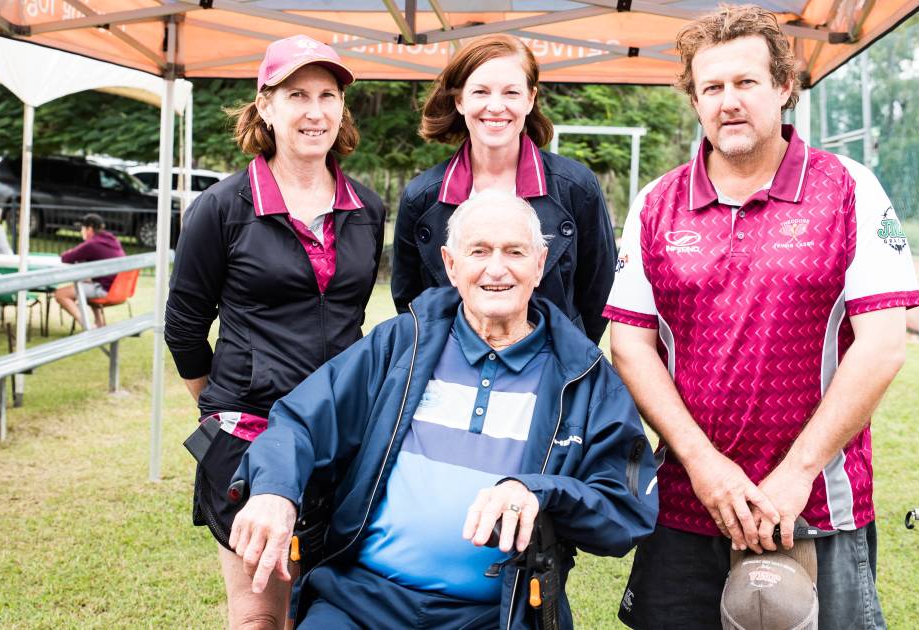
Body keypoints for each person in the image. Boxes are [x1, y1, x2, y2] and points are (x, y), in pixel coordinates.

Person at [604, 6, 919, 629]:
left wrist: (797, 473)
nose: (728, 102)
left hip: (817, 506)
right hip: (688, 505)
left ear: (782, 87)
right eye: (711, 87)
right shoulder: (655, 203)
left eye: (745, 82)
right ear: (694, 99)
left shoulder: (850, 188)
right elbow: (631, 346)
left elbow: (883, 346)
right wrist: (704, 466)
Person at [229, 190, 657, 629]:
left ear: (540, 262)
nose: (496, 268)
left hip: (495, 616)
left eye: (514, 252)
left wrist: (540, 491)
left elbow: (626, 510)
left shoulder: (583, 376)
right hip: (359, 601)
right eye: (479, 251)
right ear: (451, 265)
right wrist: (273, 491)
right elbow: (300, 423)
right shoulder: (400, 345)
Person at [163, 35, 385, 629]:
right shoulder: (221, 207)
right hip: (249, 435)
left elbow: (351, 319)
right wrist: (226, 404)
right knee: (260, 615)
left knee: (325, 604)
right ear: (266, 106)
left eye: (328, 95)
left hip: (340, 435)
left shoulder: (368, 208)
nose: (314, 111)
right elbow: (184, 326)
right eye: (297, 95)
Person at [391, 34, 616, 344]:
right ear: (460, 100)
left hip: (552, 373)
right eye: (481, 91)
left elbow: (599, 291)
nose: (496, 107)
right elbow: (409, 301)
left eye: (511, 92)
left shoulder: (576, 188)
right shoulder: (422, 197)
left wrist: (565, 357)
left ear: (530, 98)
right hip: (450, 373)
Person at [55, 213, 125, 328]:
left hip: (105, 289)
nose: (81, 231)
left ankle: (88, 326)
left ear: (89, 229)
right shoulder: (112, 240)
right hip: (117, 287)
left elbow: (66, 257)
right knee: (86, 284)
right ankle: (99, 323)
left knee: (60, 294)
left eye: (82, 228)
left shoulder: (93, 244)